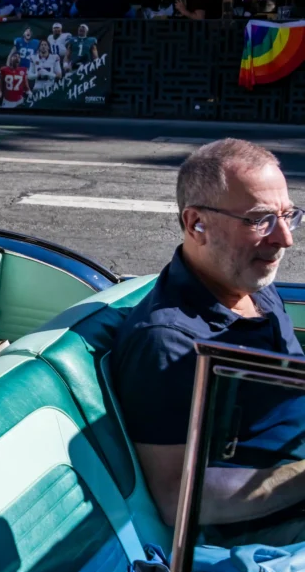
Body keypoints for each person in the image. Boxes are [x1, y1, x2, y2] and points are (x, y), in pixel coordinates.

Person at [113, 139, 305, 547]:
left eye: (288, 215)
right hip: (263, 534)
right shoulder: (169, 343)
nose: (284, 238)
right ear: (196, 224)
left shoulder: (247, 282)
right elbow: (176, 497)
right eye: (260, 220)